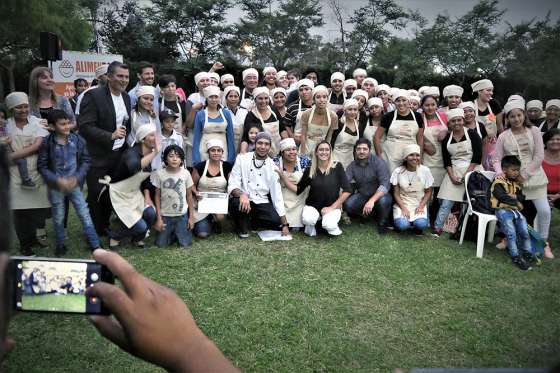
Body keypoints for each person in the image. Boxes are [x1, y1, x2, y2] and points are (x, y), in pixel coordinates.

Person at [492, 100, 553, 258]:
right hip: (512, 179)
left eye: (519, 115)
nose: (516, 119)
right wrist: (499, 172)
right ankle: (507, 237)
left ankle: (544, 243)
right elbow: (496, 158)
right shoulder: (504, 136)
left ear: (523, 115)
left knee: (544, 211)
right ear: (508, 118)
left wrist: (524, 175)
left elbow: (539, 155)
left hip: (534, 176)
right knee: (513, 211)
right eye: (512, 116)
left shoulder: (533, 131)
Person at [37, 109, 100, 256]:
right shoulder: (47, 143)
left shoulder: (78, 140)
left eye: (68, 123)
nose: (67, 127)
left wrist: (77, 178)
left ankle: (95, 244)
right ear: (52, 127)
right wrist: (57, 180)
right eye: (62, 124)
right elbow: (42, 166)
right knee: (58, 214)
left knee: (84, 213)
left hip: (74, 183)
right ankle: (60, 244)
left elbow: (86, 161)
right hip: (56, 186)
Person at [79, 61, 131, 236]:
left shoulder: (126, 97)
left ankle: (103, 227)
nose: (124, 80)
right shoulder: (93, 96)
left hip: (118, 154)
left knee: (110, 193)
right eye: (120, 76)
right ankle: (92, 232)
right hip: (97, 156)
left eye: (126, 77)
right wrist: (110, 135)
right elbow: (85, 126)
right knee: (95, 194)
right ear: (109, 77)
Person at [4, 92, 50, 255]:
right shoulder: (6, 125)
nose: (23, 110)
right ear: (11, 109)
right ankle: (25, 244)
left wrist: (13, 155)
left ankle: (35, 236)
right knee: (20, 212)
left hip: (35, 171)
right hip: (14, 174)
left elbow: (38, 145)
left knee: (37, 211)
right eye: (18, 107)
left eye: (25, 106)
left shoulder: (38, 122)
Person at [227, 132, 290, 238]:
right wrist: (242, 194)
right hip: (243, 200)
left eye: (266, 144)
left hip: (261, 201)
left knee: (275, 221)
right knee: (236, 204)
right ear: (255, 144)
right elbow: (233, 183)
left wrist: (284, 224)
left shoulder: (273, 166)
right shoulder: (242, 159)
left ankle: (251, 221)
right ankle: (241, 224)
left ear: (270, 146)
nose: (263, 147)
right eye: (260, 143)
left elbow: (277, 196)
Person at [106, 124, 159, 249]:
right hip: (119, 194)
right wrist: (156, 152)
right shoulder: (131, 153)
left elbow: (145, 180)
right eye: (152, 135)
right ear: (142, 138)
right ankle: (114, 236)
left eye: (156, 135)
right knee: (141, 226)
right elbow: (134, 167)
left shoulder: (148, 154)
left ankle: (137, 239)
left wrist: (147, 197)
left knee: (150, 213)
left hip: (134, 193)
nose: (155, 138)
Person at [433, 108, 483, 236]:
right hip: (453, 171)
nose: (457, 123)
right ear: (449, 123)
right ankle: (437, 228)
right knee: (446, 202)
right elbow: (446, 160)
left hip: (473, 170)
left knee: (469, 203)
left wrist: (468, 173)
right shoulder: (447, 139)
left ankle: (462, 230)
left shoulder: (472, 134)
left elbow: (477, 156)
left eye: (459, 120)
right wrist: (452, 176)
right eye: (453, 121)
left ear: (463, 120)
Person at [287, 141, 351, 236]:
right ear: (316, 152)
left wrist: (332, 207)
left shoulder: (337, 167)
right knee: (308, 219)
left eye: (326, 150)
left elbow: (347, 190)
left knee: (329, 225)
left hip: (331, 207)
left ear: (330, 152)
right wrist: (283, 178)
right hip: (312, 206)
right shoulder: (310, 169)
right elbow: (298, 189)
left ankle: (327, 224)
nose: (324, 152)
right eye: (321, 149)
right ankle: (314, 223)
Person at [490, 155, 538, 270]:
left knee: (525, 232)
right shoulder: (498, 182)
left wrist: (516, 197)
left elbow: (522, 196)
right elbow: (501, 196)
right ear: (505, 169)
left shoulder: (516, 183)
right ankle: (515, 256)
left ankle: (527, 252)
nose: (516, 173)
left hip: (515, 211)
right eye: (514, 170)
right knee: (511, 233)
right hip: (502, 210)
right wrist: (516, 202)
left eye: (518, 170)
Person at [344, 138, 392, 233]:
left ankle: (382, 221)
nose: (361, 151)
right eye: (359, 149)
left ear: (369, 150)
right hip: (363, 194)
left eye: (364, 149)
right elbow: (345, 182)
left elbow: (385, 185)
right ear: (355, 151)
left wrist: (371, 201)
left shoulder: (379, 163)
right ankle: (365, 214)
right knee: (349, 205)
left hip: (380, 194)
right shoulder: (352, 166)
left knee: (383, 201)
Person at [153, 145, 195, 249]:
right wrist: (159, 218)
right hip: (165, 216)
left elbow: (189, 196)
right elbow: (157, 196)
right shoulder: (159, 174)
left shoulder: (186, 173)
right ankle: (173, 234)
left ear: (182, 160)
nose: (174, 159)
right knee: (161, 244)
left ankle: (178, 233)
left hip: (182, 215)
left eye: (178, 156)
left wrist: (191, 217)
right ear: (165, 159)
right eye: (171, 156)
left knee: (185, 244)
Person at [375, 89, 424, 174]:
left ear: (409, 102)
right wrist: (380, 157)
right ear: (394, 103)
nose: (401, 103)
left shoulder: (417, 116)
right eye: (398, 101)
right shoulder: (388, 117)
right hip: (391, 156)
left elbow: (420, 138)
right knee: (392, 182)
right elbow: (376, 137)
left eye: (404, 100)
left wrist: (420, 157)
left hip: (411, 155)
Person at [191, 139, 232, 238]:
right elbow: (191, 185)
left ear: (222, 152)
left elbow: (231, 184)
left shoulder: (227, 166)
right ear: (208, 152)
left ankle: (216, 222)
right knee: (202, 234)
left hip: (219, 203)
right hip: (201, 204)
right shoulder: (200, 167)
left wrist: (227, 194)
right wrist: (196, 192)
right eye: (213, 150)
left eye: (219, 150)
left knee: (220, 218)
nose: (216, 153)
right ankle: (206, 222)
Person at [391, 144, 434, 233]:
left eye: (417, 155)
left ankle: (416, 226)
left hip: (418, 203)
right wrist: (403, 208)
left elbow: (428, 192)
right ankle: (401, 223)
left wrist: (421, 205)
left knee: (421, 224)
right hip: (403, 203)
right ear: (405, 158)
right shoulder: (398, 171)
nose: (415, 158)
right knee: (403, 225)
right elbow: (396, 193)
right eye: (411, 155)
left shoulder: (425, 171)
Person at [273, 138, 311, 230]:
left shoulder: (304, 161)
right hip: (282, 201)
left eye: (294, 149)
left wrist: (283, 176)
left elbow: (305, 185)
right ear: (282, 152)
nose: (291, 152)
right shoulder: (275, 162)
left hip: (300, 200)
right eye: (288, 150)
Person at [421, 95, 448, 222]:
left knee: (440, 192)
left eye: (433, 104)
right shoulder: (420, 118)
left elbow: (454, 130)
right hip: (428, 158)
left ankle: (436, 219)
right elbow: (418, 136)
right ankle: (423, 217)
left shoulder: (444, 117)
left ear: (437, 105)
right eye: (427, 105)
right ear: (422, 107)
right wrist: (425, 144)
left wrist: (447, 132)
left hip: (443, 157)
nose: (430, 107)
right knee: (427, 189)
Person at [192, 86, 235, 165]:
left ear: (219, 98)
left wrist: (231, 158)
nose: (214, 100)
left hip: (223, 149)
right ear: (206, 99)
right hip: (204, 149)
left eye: (216, 97)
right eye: (211, 97)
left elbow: (230, 136)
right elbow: (196, 138)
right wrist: (196, 159)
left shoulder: (226, 113)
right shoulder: (200, 114)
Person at [471, 79, 503, 170]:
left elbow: (500, 126)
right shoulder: (472, 106)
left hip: (493, 145)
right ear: (479, 91)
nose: (491, 93)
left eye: (492, 90)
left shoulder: (494, 104)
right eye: (488, 90)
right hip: (477, 145)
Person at [243, 87, 283, 157]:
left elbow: (282, 129)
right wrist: (243, 153)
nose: (263, 101)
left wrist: (287, 145)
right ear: (255, 100)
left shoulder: (274, 110)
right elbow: (245, 137)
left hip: (278, 149)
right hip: (260, 152)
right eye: (260, 98)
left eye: (266, 98)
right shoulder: (251, 115)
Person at [299, 85, 338, 157]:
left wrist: (326, 152)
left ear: (327, 99)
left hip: (321, 149)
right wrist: (302, 154)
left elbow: (329, 137)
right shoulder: (307, 114)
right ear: (313, 99)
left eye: (324, 97)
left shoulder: (333, 116)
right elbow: (303, 136)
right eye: (318, 97)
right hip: (307, 147)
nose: (322, 100)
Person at [331, 99, 360, 170]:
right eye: (350, 109)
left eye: (355, 109)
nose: (353, 112)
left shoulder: (358, 124)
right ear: (344, 111)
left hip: (350, 159)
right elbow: (331, 141)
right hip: (336, 158)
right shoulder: (339, 123)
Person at [223, 85, 247, 153]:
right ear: (226, 98)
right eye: (230, 96)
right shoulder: (222, 112)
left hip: (242, 144)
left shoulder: (245, 111)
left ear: (239, 98)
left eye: (235, 96)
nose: (233, 99)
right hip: (227, 145)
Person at [543, 129, 560, 211]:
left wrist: (558, 195)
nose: (555, 142)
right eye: (551, 139)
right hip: (538, 195)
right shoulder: (538, 156)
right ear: (546, 141)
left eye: (558, 139)